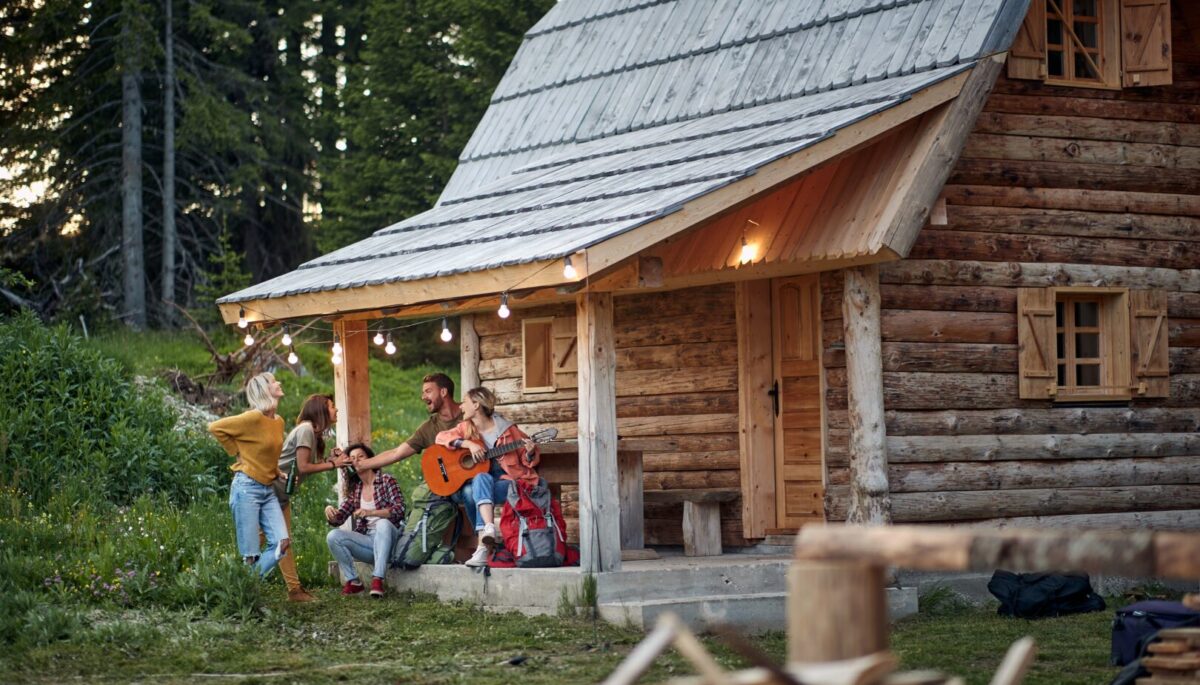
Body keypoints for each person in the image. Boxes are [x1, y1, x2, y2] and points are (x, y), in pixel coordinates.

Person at [435, 386, 540, 567]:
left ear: (476, 405)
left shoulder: (507, 430)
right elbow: (440, 437)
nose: (460, 406)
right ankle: (488, 533)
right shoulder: (466, 428)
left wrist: (530, 452)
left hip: (506, 482)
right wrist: (468, 444)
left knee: (472, 491)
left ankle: (482, 544)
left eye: (465, 402)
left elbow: (526, 458)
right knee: (479, 480)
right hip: (482, 481)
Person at [207, 372, 290, 578]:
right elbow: (215, 427)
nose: (278, 383)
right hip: (247, 488)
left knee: (282, 543)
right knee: (250, 555)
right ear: (264, 390)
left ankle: (246, 584)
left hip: (268, 488)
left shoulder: (278, 422)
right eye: (273, 382)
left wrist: (276, 471)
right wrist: (237, 451)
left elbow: (265, 451)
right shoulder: (252, 417)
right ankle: (247, 594)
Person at [272, 393, 351, 602]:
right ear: (321, 411)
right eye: (332, 406)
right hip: (269, 493)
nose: (336, 410)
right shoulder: (306, 429)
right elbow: (304, 466)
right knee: (267, 540)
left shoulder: (312, 433)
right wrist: (334, 464)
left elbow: (307, 465)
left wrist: (331, 459)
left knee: (283, 541)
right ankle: (240, 579)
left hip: (280, 495)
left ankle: (295, 590)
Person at [325, 444, 406, 598]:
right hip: (369, 543)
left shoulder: (386, 481)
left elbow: (400, 509)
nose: (356, 461)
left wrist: (371, 512)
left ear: (371, 460)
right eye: (353, 458)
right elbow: (339, 518)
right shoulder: (357, 490)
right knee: (333, 536)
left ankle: (377, 580)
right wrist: (329, 511)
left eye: (361, 456)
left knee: (382, 523)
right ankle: (354, 582)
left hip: (391, 542)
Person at [354, 373, 462, 472]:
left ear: (443, 392)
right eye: (423, 393)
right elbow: (396, 453)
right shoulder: (428, 429)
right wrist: (361, 464)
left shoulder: (470, 413)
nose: (423, 397)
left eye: (428, 391)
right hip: (450, 483)